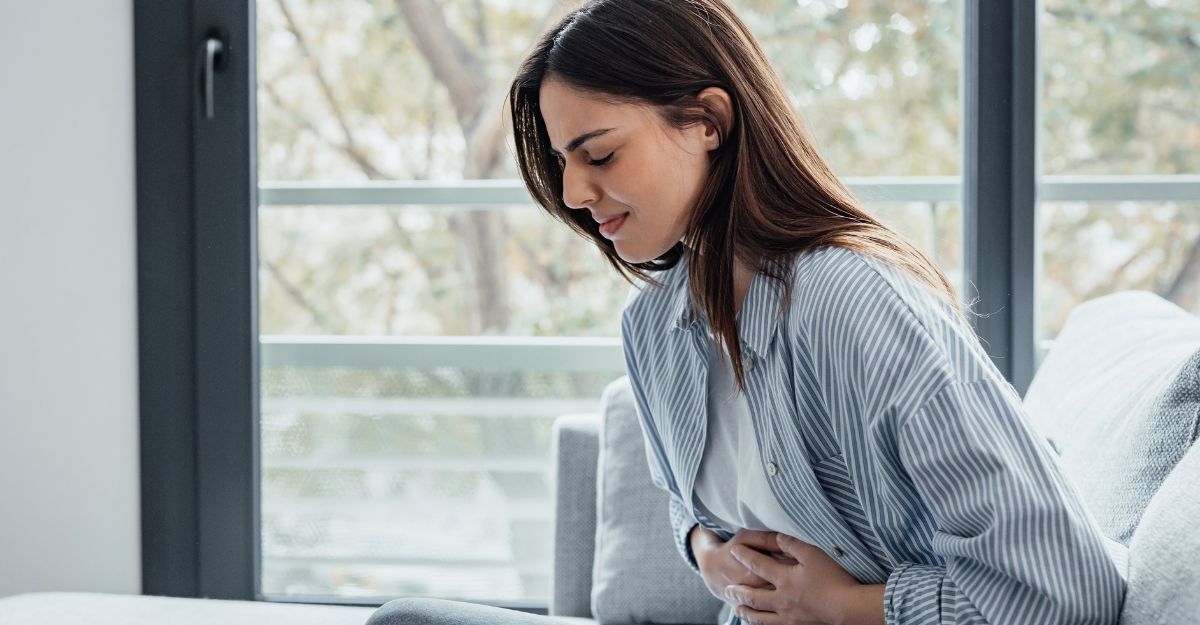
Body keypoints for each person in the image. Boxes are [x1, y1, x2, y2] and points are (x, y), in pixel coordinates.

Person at [366, 1, 1127, 624]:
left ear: (708, 122)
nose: (571, 195)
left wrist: (845, 606)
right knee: (409, 621)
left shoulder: (849, 302)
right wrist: (705, 547)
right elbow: (687, 502)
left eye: (598, 155)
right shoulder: (655, 325)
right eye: (563, 163)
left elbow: (1064, 589)